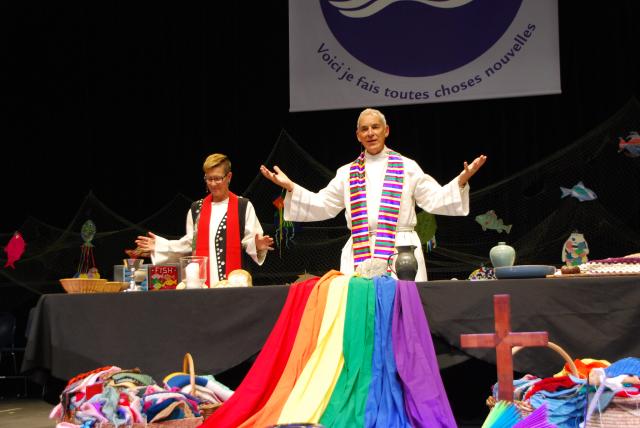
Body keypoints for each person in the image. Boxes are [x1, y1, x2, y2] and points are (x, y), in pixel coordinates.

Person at [260, 108, 486, 281]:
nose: (370, 133)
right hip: (360, 247)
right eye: (365, 129)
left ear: (386, 131)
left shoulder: (407, 167)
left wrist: (462, 180)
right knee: (361, 317)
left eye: (375, 127)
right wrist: (291, 187)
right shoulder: (347, 172)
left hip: (401, 249)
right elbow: (323, 205)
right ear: (358, 135)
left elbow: (435, 200)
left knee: (402, 314)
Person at [136, 153, 274, 286]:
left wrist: (257, 245)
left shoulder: (243, 206)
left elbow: (249, 241)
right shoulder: (197, 209)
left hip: (235, 285)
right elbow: (190, 244)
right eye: (209, 179)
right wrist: (160, 246)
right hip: (203, 285)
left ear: (229, 177)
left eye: (217, 178)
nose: (213, 184)